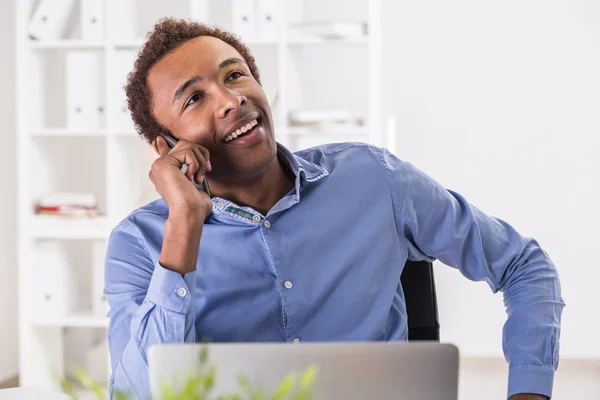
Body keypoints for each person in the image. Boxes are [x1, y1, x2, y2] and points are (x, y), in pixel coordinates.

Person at [104, 17, 564, 400]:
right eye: (195, 98)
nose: (230, 100)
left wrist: (529, 389)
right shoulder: (138, 245)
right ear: (166, 146)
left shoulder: (373, 178)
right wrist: (184, 222)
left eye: (235, 75)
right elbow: (136, 392)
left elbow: (523, 265)